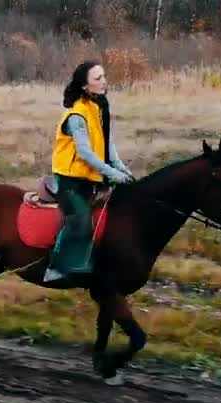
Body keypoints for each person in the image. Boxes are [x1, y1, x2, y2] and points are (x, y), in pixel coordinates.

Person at [44, 61, 135, 285]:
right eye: (97, 78)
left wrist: (121, 168)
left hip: (89, 178)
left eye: (103, 76)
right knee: (81, 217)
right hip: (70, 180)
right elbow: (85, 153)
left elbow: (107, 144)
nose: (104, 81)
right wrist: (112, 174)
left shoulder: (97, 109)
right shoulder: (77, 114)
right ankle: (55, 268)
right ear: (85, 86)